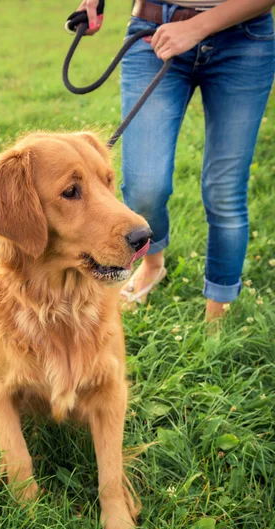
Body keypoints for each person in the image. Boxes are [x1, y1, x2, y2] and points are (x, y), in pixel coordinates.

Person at [75, 0, 275, 321]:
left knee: (224, 191)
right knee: (144, 187)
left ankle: (218, 312)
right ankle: (153, 265)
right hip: (153, 32)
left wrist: (196, 28)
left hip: (244, 41)